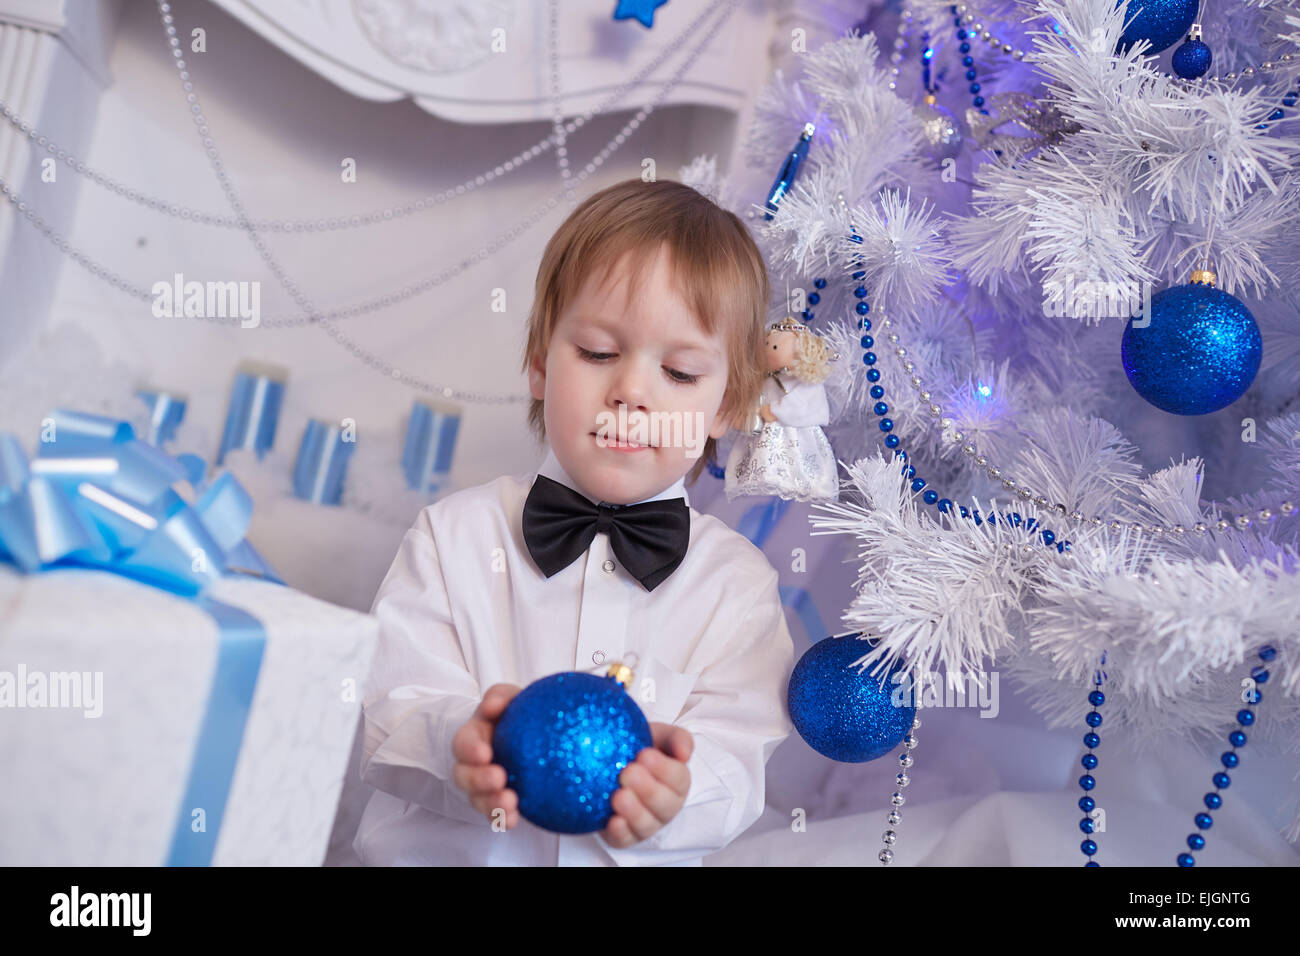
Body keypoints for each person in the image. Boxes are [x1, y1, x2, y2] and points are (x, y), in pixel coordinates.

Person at [353, 178, 795, 865]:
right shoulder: (451, 538)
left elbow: (737, 765)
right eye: (597, 353)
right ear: (539, 363)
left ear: (727, 406)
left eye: (678, 371)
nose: (632, 391)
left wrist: (676, 795)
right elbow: (387, 710)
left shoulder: (738, 588)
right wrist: (456, 744)